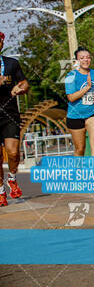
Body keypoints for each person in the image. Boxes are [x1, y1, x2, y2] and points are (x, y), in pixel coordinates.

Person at [0, 32, 29, 206]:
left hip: (10, 114)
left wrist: (21, 88)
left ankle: (12, 178)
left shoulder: (12, 63)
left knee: (13, 152)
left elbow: (24, 82)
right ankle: (1, 191)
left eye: (1, 40)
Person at [65, 47, 94, 156]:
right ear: (77, 61)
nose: (86, 60)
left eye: (88, 57)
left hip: (92, 112)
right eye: (82, 58)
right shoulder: (70, 76)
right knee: (80, 149)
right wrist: (88, 87)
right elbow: (71, 97)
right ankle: (78, 171)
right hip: (75, 115)